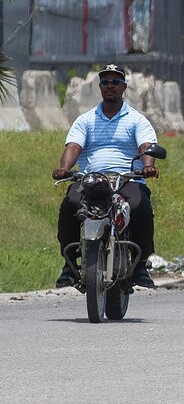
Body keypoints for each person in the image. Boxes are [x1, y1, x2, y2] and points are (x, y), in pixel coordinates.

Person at [52, 65, 160, 289]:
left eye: (115, 82)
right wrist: (64, 168)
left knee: (140, 206)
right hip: (92, 180)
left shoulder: (136, 120)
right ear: (100, 87)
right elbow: (73, 146)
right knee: (70, 204)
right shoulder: (86, 120)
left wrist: (148, 166)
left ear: (124, 87)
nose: (110, 86)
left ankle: (140, 264)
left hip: (127, 180)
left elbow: (147, 146)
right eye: (105, 82)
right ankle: (70, 264)